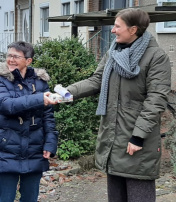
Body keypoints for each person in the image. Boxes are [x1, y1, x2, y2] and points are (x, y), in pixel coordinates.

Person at [66, 8, 171, 202]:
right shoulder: (114, 52)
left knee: (139, 195)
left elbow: (156, 100)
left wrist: (138, 136)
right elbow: (96, 80)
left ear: (133, 30)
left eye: (117, 26)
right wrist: (66, 93)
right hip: (112, 139)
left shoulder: (156, 57)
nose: (112, 30)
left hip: (137, 140)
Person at [0, 41, 58, 202]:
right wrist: (38, 99)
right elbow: (5, 105)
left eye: (16, 56)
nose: (11, 60)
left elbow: (48, 117)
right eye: (9, 55)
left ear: (28, 60)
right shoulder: (0, 81)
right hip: (7, 148)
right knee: (4, 198)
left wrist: (50, 143)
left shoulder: (40, 83)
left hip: (35, 149)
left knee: (30, 198)